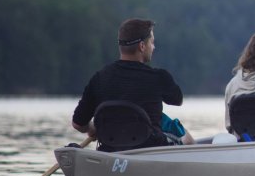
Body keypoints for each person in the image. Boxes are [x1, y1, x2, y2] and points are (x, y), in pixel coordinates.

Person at [72, 18, 192, 151]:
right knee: (185, 135)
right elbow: (178, 100)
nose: (154, 47)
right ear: (142, 46)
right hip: (151, 148)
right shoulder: (159, 77)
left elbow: (78, 124)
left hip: (110, 148)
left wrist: (92, 130)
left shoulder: (99, 78)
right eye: (152, 42)